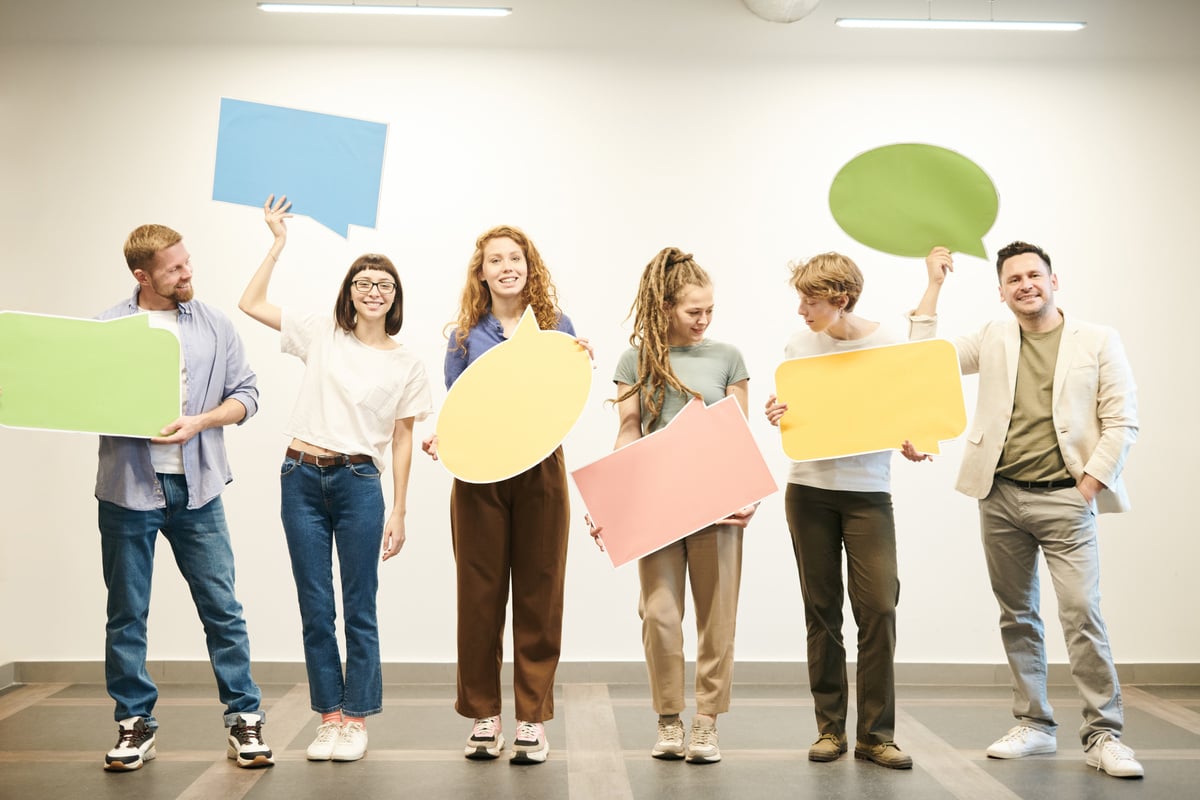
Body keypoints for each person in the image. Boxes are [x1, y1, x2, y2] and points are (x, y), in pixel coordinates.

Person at [909, 240, 1143, 778]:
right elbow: (923, 361)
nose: (1025, 285)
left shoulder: (1098, 340)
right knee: (1017, 616)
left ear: (1053, 280)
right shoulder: (994, 336)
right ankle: (1034, 725)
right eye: (1013, 279)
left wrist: (1086, 485)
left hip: (1066, 495)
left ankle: (1103, 734)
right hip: (1001, 496)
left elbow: (1122, 421)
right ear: (1001, 291)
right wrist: (935, 283)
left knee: (1082, 614)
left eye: (1033, 275)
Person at [238, 196, 431, 762]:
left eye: (384, 285)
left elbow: (401, 438)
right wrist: (277, 242)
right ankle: (329, 717)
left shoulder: (407, 363)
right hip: (300, 476)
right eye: (364, 282)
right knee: (315, 603)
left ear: (395, 298)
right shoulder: (322, 332)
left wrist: (399, 510)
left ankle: (357, 718)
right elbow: (250, 303)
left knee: (359, 602)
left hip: (358, 483)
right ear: (349, 292)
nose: (374, 291)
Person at [96, 223, 271, 771]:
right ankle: (133, 724)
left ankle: (244, 719)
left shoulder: (216, 325)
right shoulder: (107, 329)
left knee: (223, 609)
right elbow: (82, 402)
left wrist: (201, 422)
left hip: (199, 491)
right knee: (127, 612)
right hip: (127, 490)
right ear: (142, 276)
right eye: (174, 269)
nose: (187, 272)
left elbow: (248, 395)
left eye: (187, 262)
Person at [763, 250, 946, 769]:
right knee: (822, 612)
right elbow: (797, 411)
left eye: (809, 299)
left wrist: (913, 438)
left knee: (879, 608)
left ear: (840, 300)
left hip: (868, 493)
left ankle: (875, 734)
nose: (801, 309)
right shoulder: (800, 344)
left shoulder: (887, 343)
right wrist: (778, 412)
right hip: (809, 490)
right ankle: (829, 730)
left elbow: (910, 403)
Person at [423, 224, 583, 765]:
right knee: (479, 596)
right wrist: (442, 437)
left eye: (516, 257)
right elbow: (457, 407)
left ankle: (533, 720)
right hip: (478, 476)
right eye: (496, 260)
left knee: (541, 592)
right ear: (482, 272)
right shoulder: (464, 335)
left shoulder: (558, 328)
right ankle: (484, 715)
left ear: (529, 267)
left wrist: (578, 359)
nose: (507, 266)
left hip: (541, 469)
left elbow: (565, 395)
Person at [605, 247, 754, 764]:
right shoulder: (636, 360)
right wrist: (611, 499)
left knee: (718, 618)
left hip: (718, 504)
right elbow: (628, 431)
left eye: (709, 310)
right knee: (660, 616)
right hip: (656, 505)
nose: (704, 320)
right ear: (665, 306)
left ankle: (706, 724)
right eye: (694, 311)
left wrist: (747, 493)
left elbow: (739, 434)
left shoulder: (728, 357)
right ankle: (668, 721)